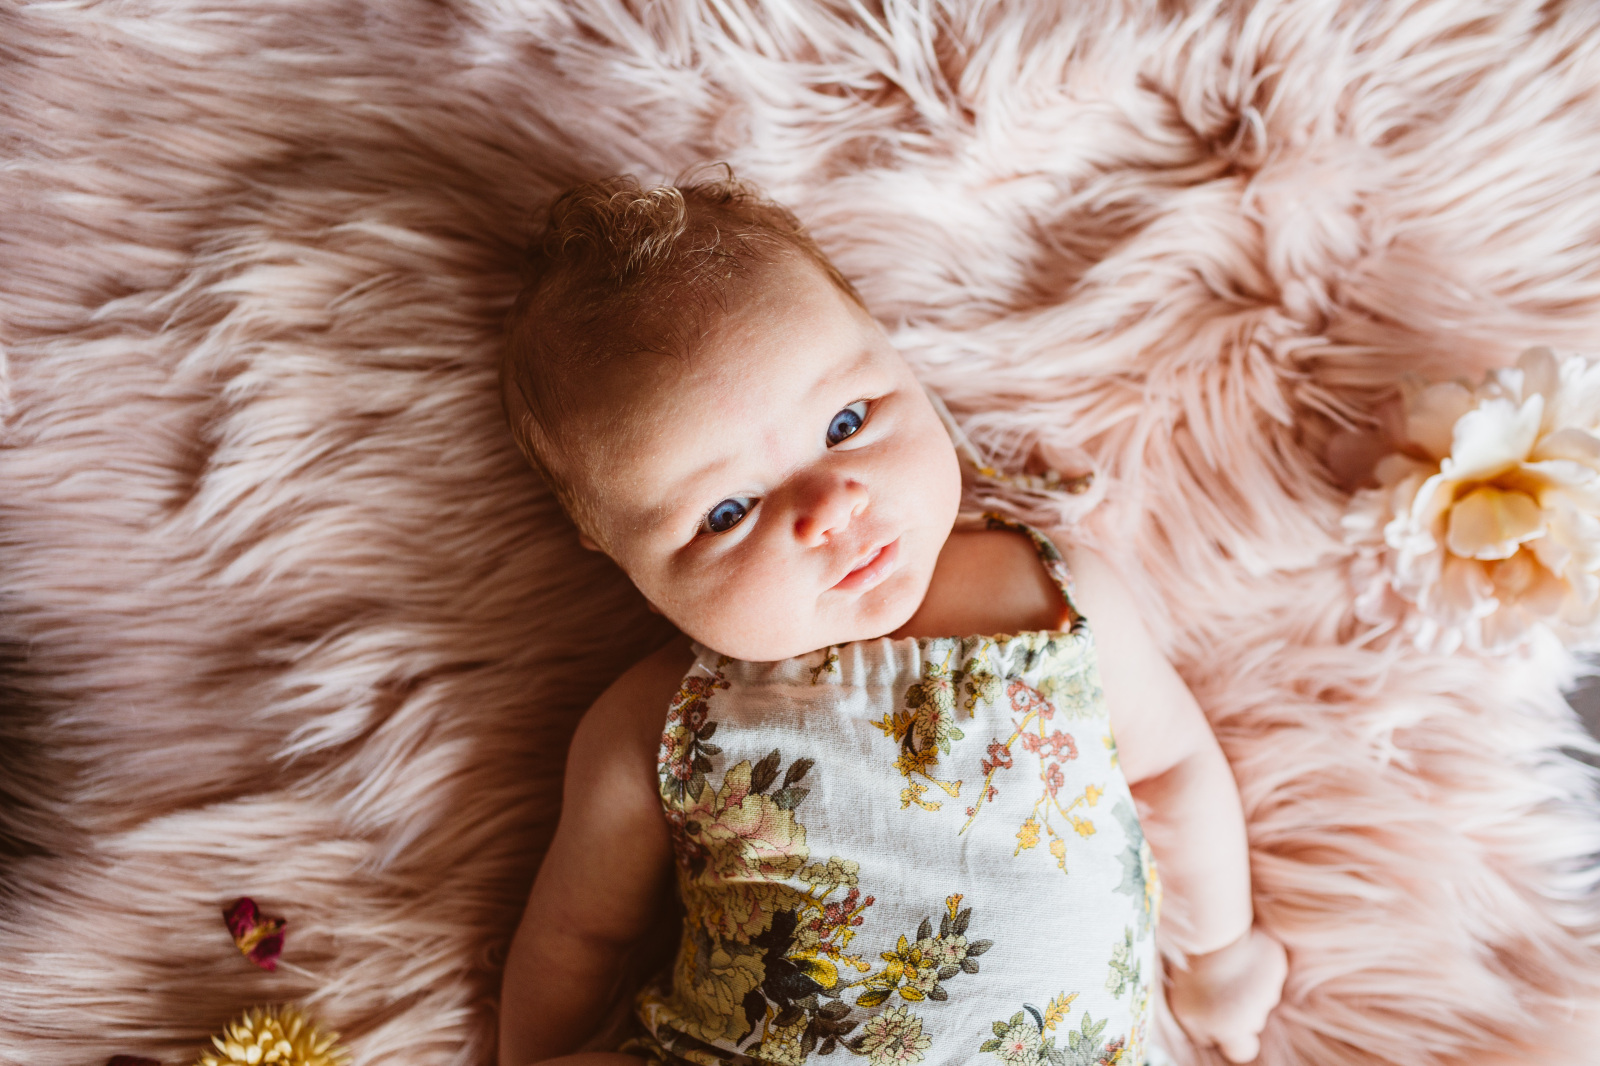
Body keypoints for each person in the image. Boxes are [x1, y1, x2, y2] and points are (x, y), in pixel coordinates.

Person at [496, 168, 1287, 1066]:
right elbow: (576, 935)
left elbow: (1176, 768)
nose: (830, 509)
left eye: (846, 422)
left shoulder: (1056, 601)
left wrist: (1221, 955)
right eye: (728, 512)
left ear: (903, 364)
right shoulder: (658, 724)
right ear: (624, 562)